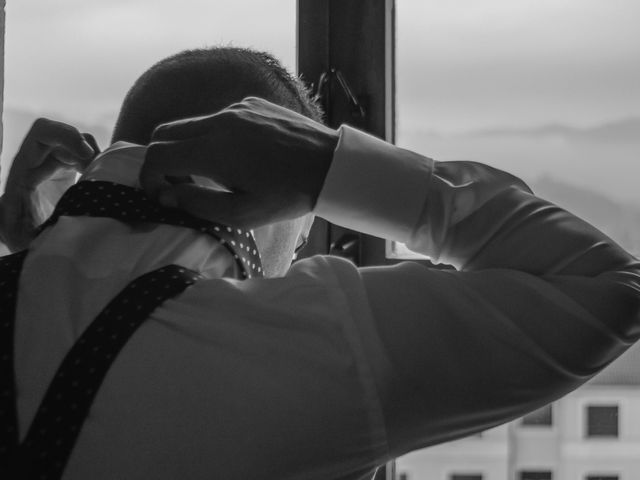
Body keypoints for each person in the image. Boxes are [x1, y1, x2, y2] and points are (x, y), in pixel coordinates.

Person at [0, 46, 639, 480]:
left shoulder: (28, 291)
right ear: (260, 199)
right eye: (305, 226)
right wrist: (324, 166)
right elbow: (609, 288)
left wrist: (40, 259)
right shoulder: (293, 351)